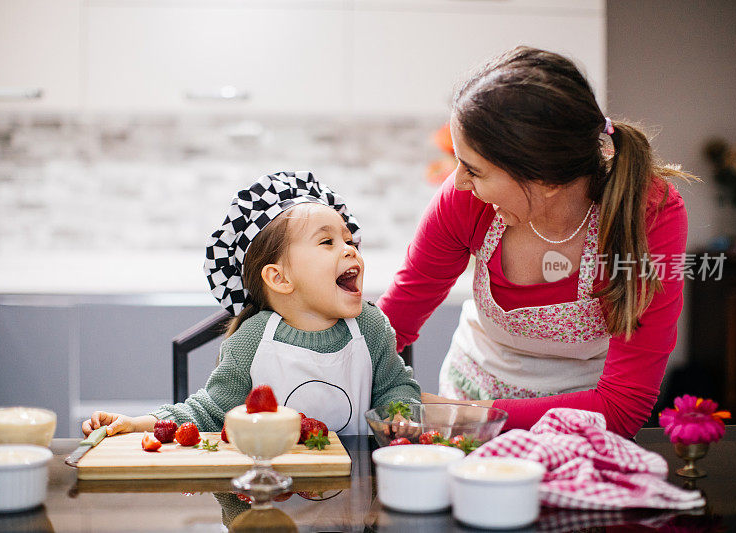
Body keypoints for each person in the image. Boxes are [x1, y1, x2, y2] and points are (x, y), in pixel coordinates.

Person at [377, 47, 693, 438]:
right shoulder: (468, 199)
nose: (457, 181)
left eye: (474, 169)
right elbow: (391, 325)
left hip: (580, 428)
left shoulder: (648, 216)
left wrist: (456, 414)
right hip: (469, 400)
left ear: (547, 182)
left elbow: (623, 407)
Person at [83, 171, 420, 437]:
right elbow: (211, 412)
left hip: (354, 507)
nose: (350, 249)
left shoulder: (371, 328)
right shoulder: (252, 340)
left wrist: (399, 416)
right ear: (279, 278)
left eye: (349, 239)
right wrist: (141, 423)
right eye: (327, 241)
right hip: (267, 504)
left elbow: (396, 386)